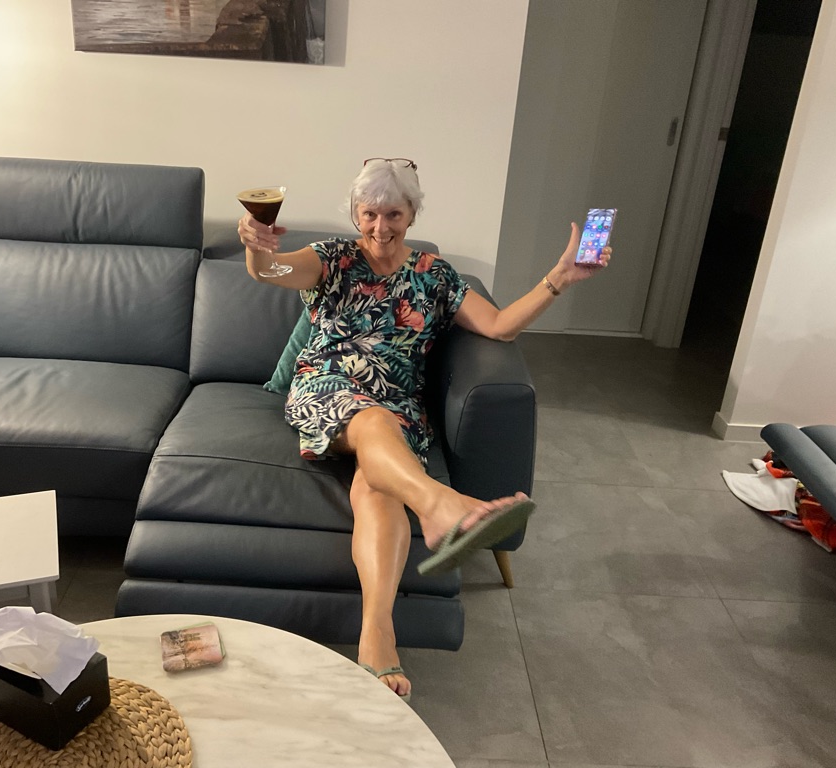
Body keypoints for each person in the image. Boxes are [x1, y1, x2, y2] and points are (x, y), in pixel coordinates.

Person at [237, 158, 610, 700]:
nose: (380, 227)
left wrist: (560, 278)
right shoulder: (332, 258)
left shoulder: (436, 275)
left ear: (412, 214)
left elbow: (499, 327)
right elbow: (269, 271)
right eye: (370, 213)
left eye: (393, 214)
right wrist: (257, 246)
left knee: (377, 485)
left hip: (398, 406)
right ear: (355, 213)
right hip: (329, 386)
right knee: (372, 421)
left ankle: (376, 632)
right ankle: (439, 505)